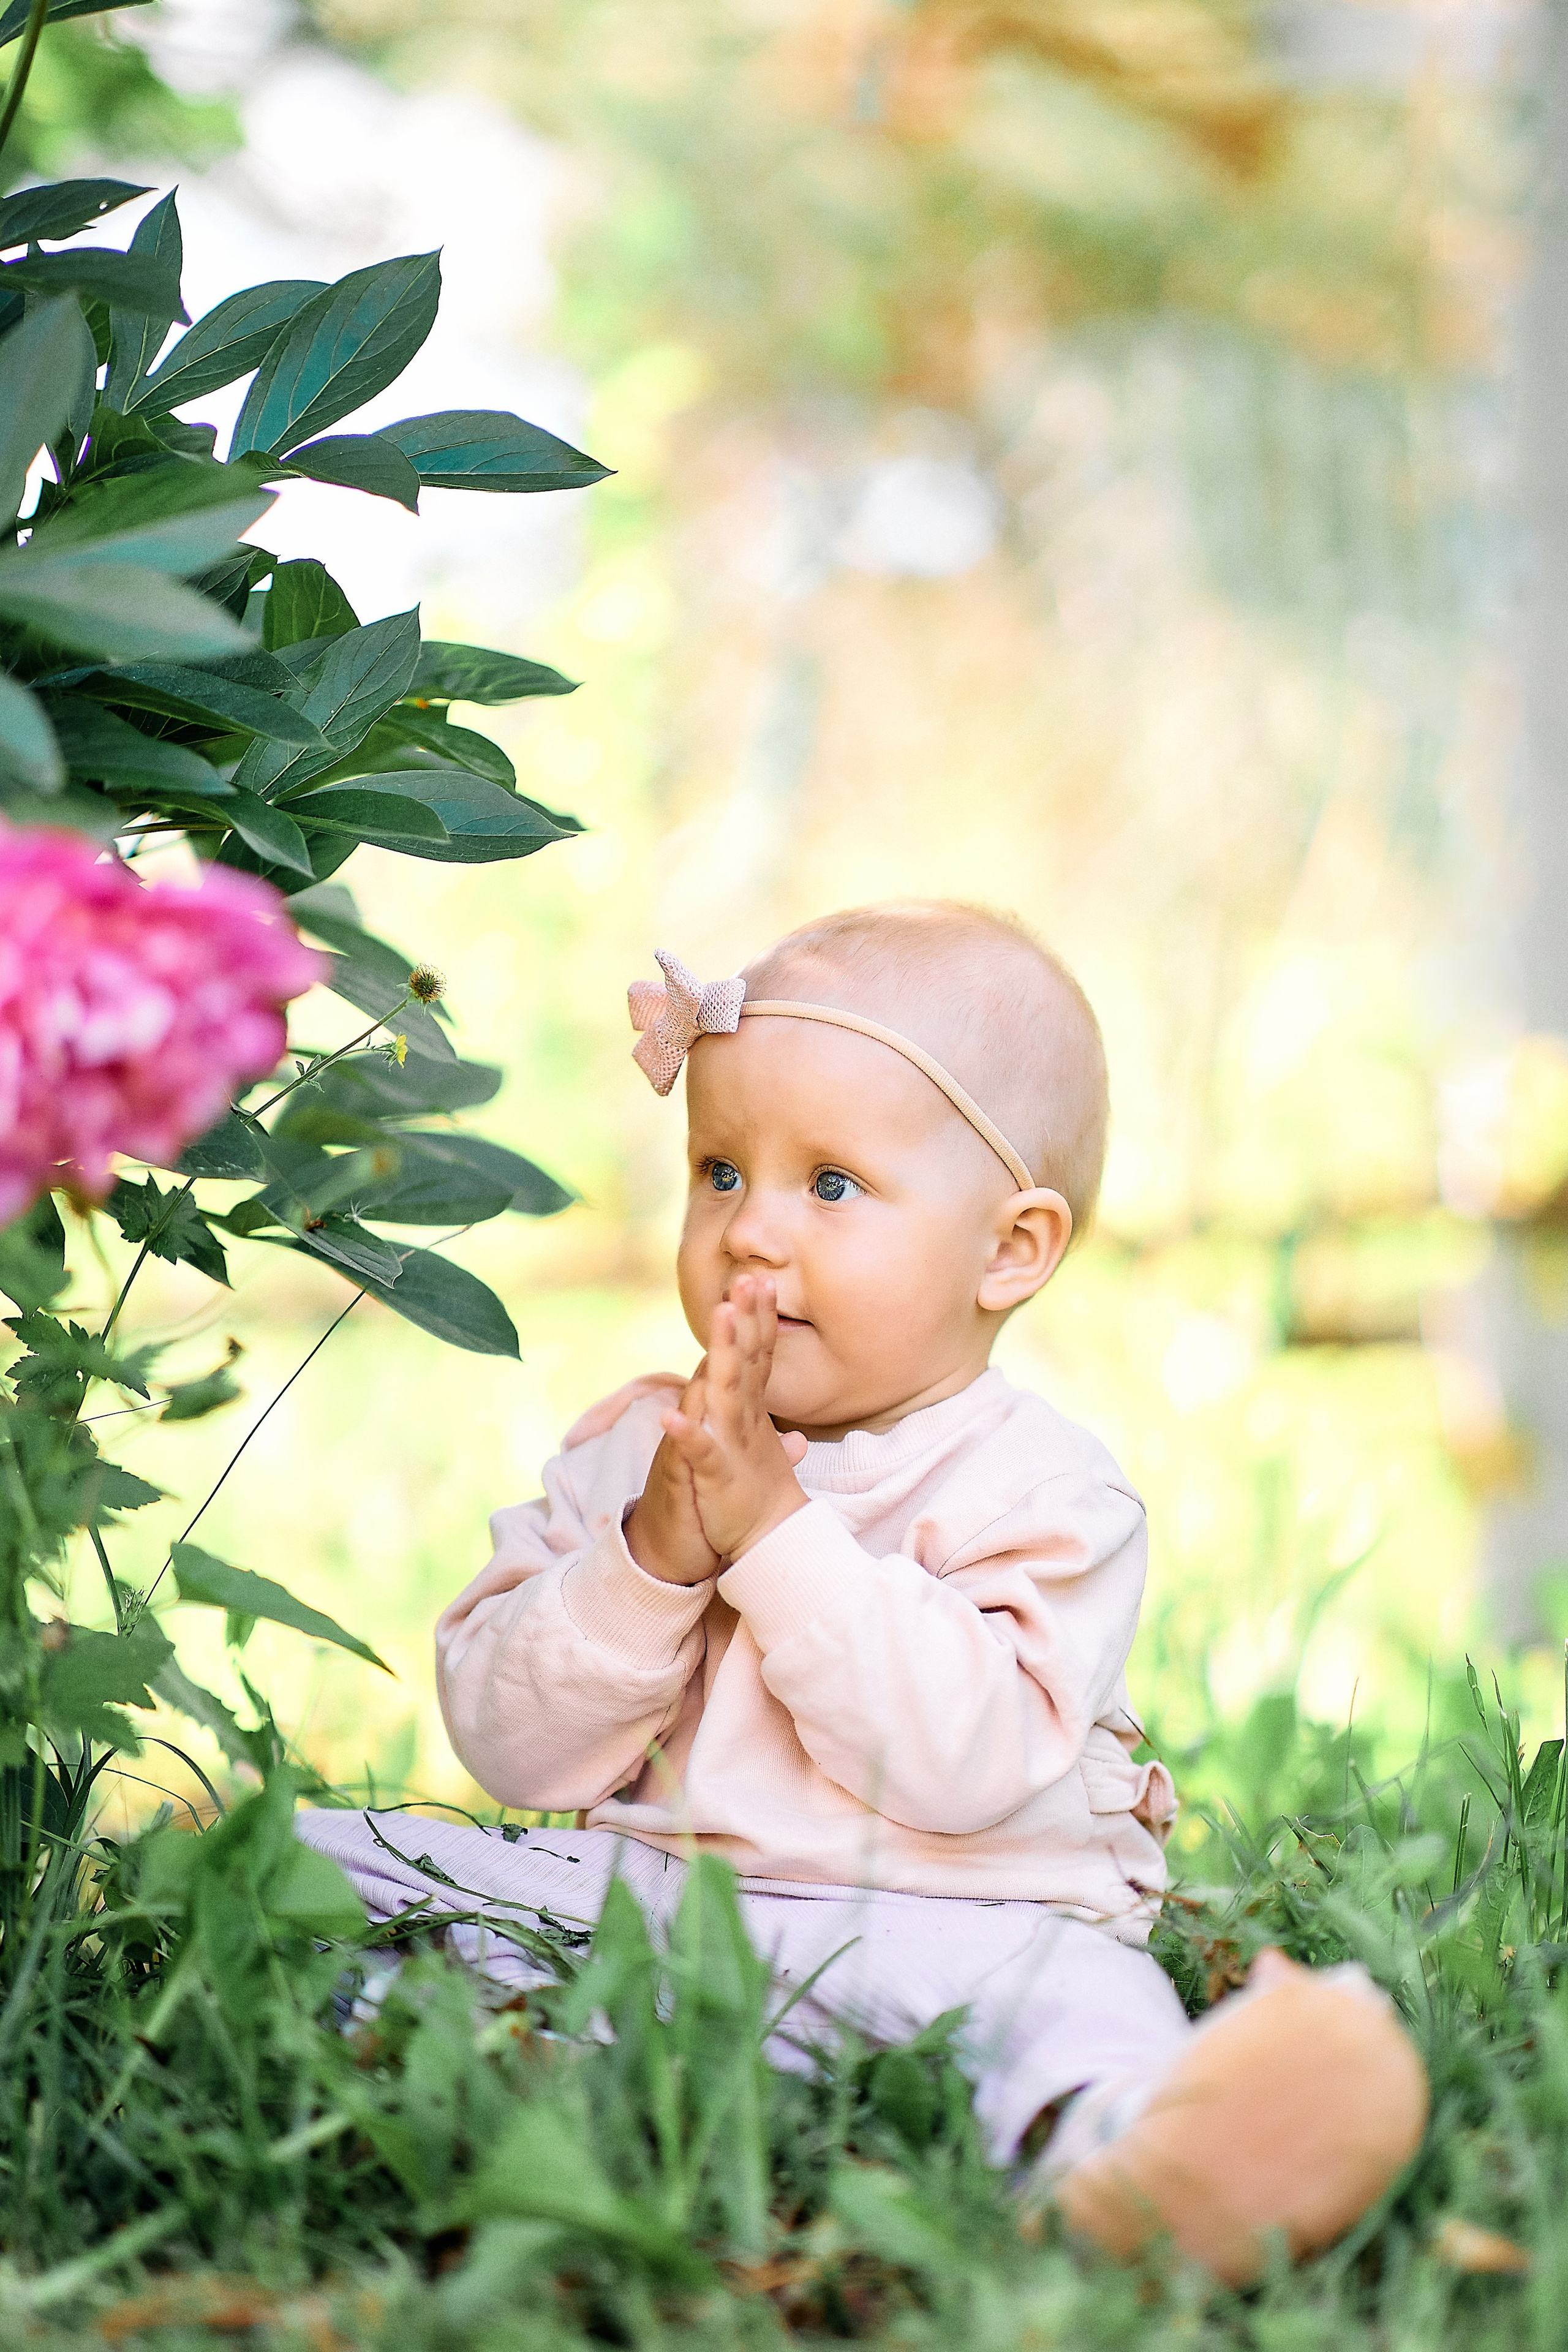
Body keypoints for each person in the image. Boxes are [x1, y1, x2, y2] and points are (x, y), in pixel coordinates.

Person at [297, 902, 1427, 2282]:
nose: (749, 1235)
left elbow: (957, 1766)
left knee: (1079, 2003)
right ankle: (441, 2058)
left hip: (953, 1928)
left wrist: (774, 1533)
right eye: (719, 1171)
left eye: (828, 1186)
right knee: (333, 1861)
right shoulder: (630, 1455)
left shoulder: (1038, 1495)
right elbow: (507, 1744)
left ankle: (1134, 2150)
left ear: (1007, 1249)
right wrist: (648, 1561)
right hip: (657, 1903)